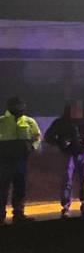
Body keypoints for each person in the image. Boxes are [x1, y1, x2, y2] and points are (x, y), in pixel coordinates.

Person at [45, 100, 84, 217]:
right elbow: (48, 137)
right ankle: (66, 208)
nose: (78, 110)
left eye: (79, 108)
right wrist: (60, 143)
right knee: (67, 181)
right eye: (75, 108)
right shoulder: (61, 122)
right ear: (69, 109)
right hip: (68, 154)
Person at [0, 96, 42, 225]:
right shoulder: (2, 121)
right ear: (9, 107)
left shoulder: (30, 121)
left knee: (20, 187)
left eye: (21, 105)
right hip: (4, 160)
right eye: (16, 105)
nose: (19, 108)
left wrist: (32, 148)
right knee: (2, 188)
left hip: (21, 160)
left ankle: (18, 214)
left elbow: (38, 137)